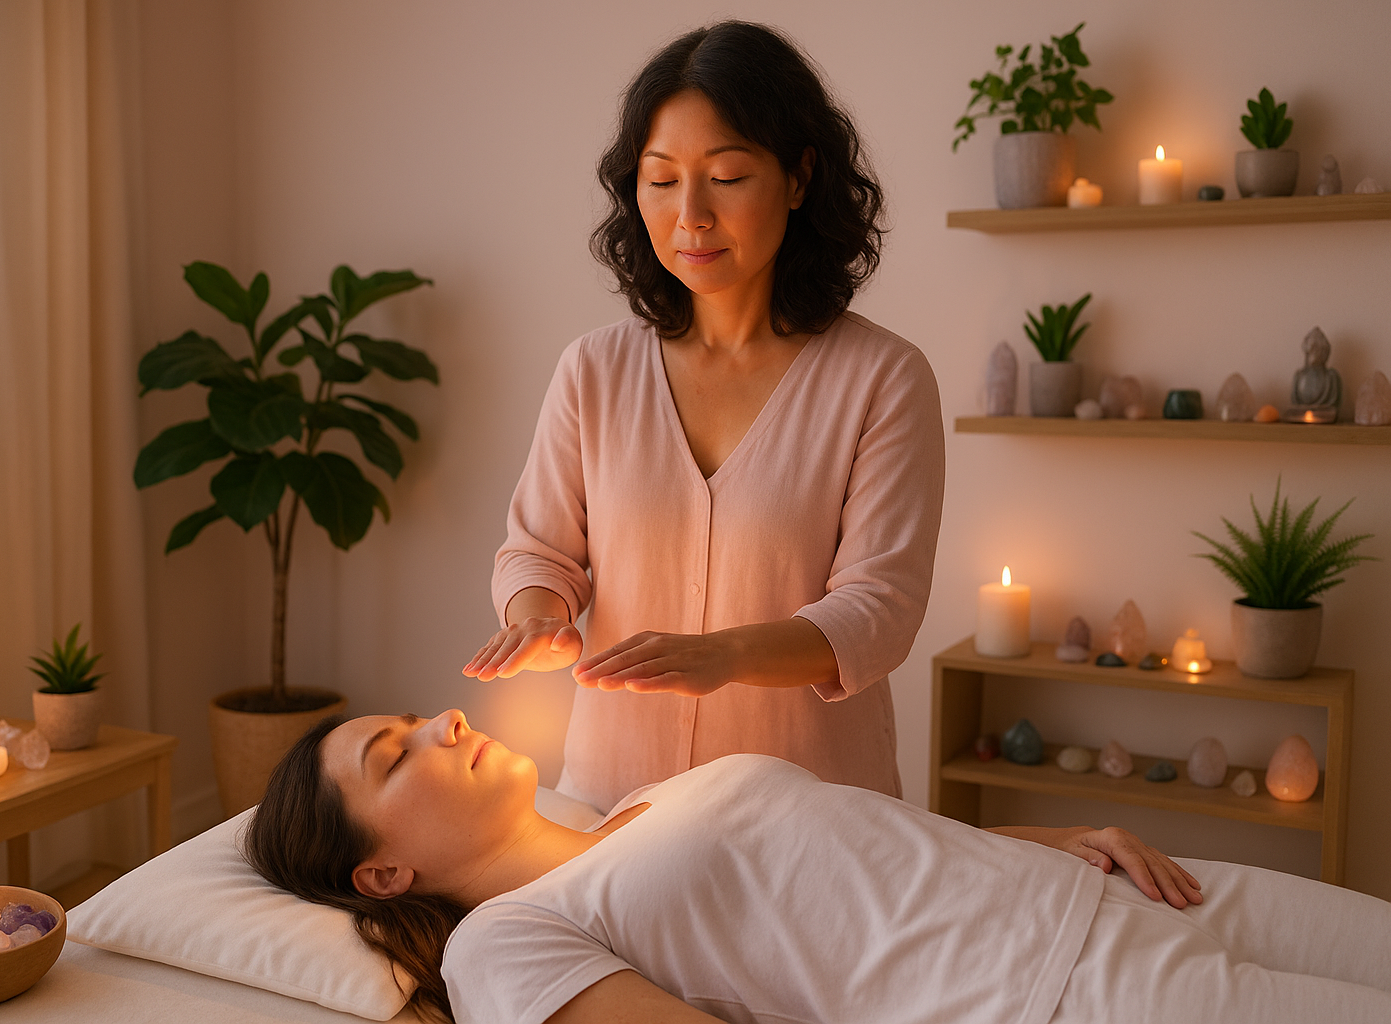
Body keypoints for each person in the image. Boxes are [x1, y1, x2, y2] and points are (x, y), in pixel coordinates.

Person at [463, 20, 945, 813]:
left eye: (725, 177)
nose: (691, 215)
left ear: (798, 178)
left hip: (813, 821)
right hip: (617, 811)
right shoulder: (594, 369)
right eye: (661, 179)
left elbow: (878, 611)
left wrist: (725, 656)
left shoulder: (883, 378)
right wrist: (539, 618)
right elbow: (539, 550)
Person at [245, 711, 1391, 1024]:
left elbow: (865, 850)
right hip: (1066, 996)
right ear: (382, 874)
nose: (441, 719)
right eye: (393, 757)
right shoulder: (506, 944)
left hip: (1124, 888)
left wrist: (1057, 837)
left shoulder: (637, 805)